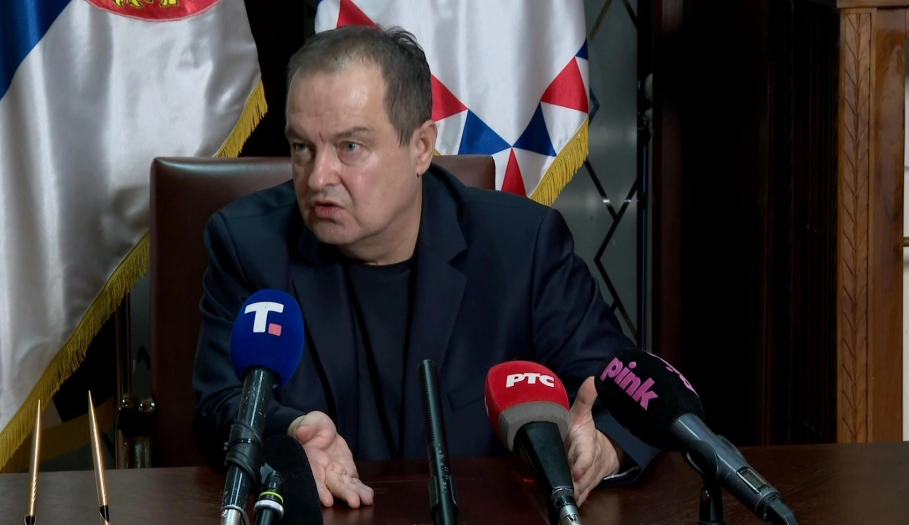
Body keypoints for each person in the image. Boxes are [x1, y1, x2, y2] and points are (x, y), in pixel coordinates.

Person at [192, 24, 658, 510]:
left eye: (350, 147)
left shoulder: (522, 247)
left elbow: (621, 390)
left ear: (420, 147)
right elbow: (218, 405)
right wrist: (288, 434)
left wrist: (604, 445)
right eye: (301, 147)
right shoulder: (249, 245)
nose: (317, 177)